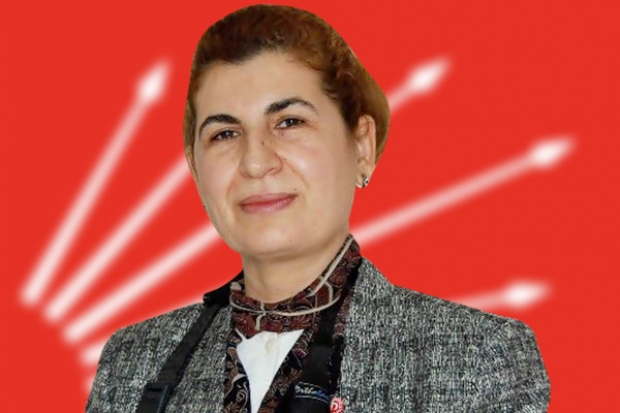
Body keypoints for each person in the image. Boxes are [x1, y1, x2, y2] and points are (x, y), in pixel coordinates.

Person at [86, 4, 550, 413]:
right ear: (194, 166)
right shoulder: (132, 363)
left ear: (362, 145)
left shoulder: (476, 357)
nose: (255, 162)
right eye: (224, 134)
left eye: (289, 122)